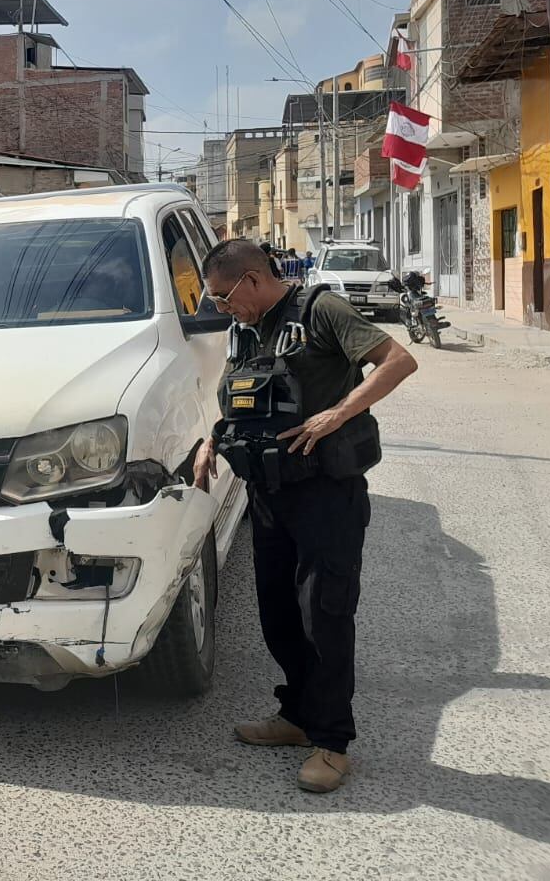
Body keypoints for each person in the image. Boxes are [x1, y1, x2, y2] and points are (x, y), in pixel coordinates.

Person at [193, 239, 416, 794]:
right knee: (278, 614)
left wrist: (337, 414)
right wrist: (213, 440)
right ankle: (296, 716)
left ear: (250, 279)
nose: (222, 309)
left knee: (325, 616)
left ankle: (333, 742)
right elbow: (243, 400)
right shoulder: (247, 329)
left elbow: (398, 360)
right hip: (270, 494)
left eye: (223, 297)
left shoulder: (320, 310)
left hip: (325, 493)